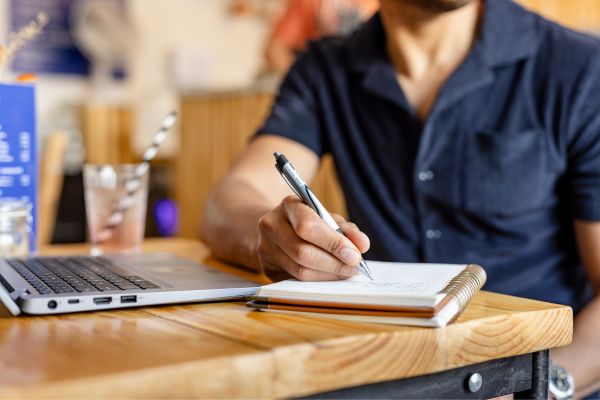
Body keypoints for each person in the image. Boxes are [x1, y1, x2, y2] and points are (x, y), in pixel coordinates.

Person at [201, 0, 600, 396]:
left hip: (533, 378)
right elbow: (228, 202)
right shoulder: (326, 69)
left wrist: (546, 386)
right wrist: (273, 238)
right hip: (383, 378)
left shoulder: (578, 66)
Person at [265, 0, 379, 73]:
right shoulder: (309, 2)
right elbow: (275, 50)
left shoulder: (385, 5)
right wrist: (307, 79)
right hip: (324, 80)